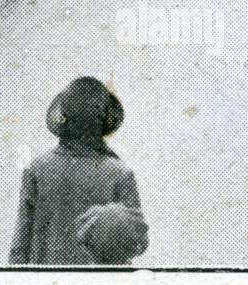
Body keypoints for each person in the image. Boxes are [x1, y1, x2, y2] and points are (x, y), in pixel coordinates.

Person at [9, 76, 148, 265]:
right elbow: (139, 240)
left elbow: (19, 249)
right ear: (101, 120)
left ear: (65, 118)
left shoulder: (37, 169)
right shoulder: (120, 172)